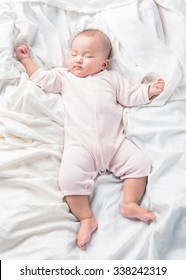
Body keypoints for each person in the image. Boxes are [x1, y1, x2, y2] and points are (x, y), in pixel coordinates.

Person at [16, 29, 165, 249]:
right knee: (69, 180)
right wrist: (27, 59)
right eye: (74, 53)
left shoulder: (112, 78)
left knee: (140, 165)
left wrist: (149, 91)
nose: (78, 59)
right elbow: (42, 79)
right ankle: (86, 218)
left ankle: (129, 203)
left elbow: (129, 96)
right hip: (80, 145)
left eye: (87, 56)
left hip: (114, 143)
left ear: (104, 64)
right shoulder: (64, 77)